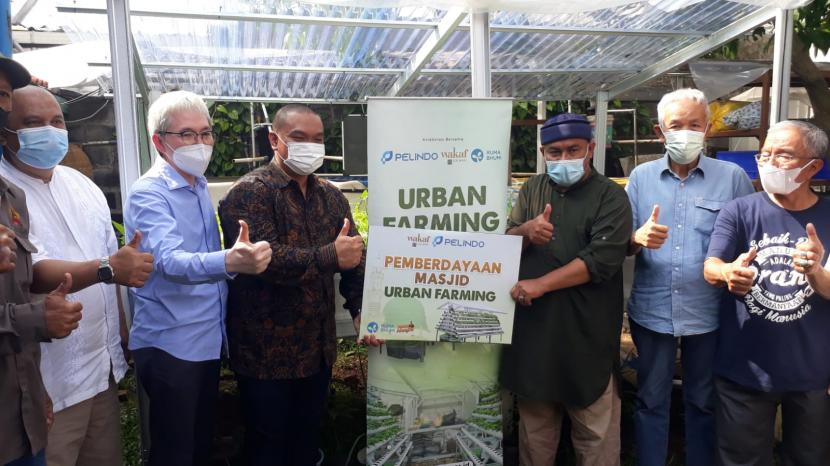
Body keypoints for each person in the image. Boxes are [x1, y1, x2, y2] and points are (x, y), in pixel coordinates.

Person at [0, 84, 155, 466]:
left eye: (57, 121)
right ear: (6, 131)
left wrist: (122, 331)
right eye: (33, 123)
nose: (49, 131)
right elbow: (34, 271)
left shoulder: (82, 184)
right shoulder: (5, 191)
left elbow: (110, 260)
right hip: (48, 382)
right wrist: (106, 270)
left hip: (99, 369)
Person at [218, 104, 372, 466]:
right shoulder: (249, 194)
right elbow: (267, 261)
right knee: (266, 443)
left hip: (316, 350)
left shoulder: (331, 197)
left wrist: (361, 306)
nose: (311, 147)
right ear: (275, 139)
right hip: (264, 353)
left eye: (318, 139)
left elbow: (353, 257)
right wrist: (330, 256)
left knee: (306, 441)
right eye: (299, 138)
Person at [124, 90, 272, 466]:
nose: (200, 143)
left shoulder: (196, 183)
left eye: (206, 133)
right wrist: (231, 261)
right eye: (187, 134)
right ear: (159, 142)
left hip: (203, 339)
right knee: (175, 451)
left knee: (199, 442)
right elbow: (169, 262)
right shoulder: (149, 193)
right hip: (171, 343)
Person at [625, 89, 754, 466]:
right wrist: (636, 239)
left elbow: (750, 239)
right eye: (675, 126)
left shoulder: (731, 178)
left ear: (708, 128)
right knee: (650, 398)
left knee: (703, 399)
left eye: (694, 125)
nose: (685, 133)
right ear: (659, 131)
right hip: (652, 309)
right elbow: (622, 245)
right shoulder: (640, 176)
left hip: (710, 312)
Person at [499, 113, 632, 466]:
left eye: (573, 150)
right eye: (554, 152)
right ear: (543, 152)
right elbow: (506, 245)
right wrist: (526, 231)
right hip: (535, 334)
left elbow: (599, 260)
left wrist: (540, 285)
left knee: (596, 437)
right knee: (535, 435)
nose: (563, 159)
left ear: (590, 148)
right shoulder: (531, 189)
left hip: (587, 335)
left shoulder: (611, 198)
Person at [704, 120, 830, 466]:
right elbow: (710, 266)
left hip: (812, 371)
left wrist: (815, 270)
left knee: (810, 459)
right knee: (741, 460)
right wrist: (729, 273)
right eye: (766, 153)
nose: (770, 162)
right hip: (746, 368)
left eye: (783, 155)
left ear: (813, 166)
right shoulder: (740, 210)